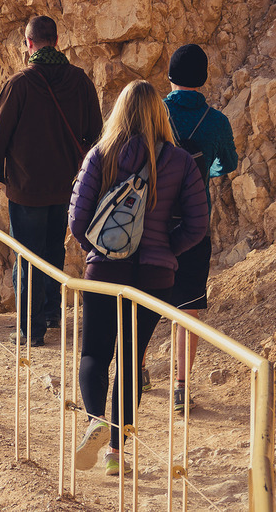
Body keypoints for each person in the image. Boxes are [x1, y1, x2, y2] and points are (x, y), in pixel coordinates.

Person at [68, 80, 208, 475]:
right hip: (154, 278)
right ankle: (116, 452)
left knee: (95, 352)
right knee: (131, 361)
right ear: (159, 115)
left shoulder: (100, 154)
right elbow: (198, 224)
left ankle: (95, 420)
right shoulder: (180, 161)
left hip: (104, 272)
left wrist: (101, 248)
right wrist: (166, 249)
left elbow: (77, 220)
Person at [0, 15, 103, 347]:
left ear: (29, 43)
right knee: (52, 251)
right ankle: (50, 314)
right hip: (67, 186)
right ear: (57, 41)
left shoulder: (21, 84)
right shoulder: (80, 81)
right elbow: (95, 131)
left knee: (27, 256)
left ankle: (30, 329)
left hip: (27, 187)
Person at [160, 43, 238, 412]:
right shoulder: (217, 121)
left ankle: (139, 369)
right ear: (204, 79)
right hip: (195, 223)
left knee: (146, 297)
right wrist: (204, 173)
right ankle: (180, 387)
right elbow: (228, 163)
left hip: (154, 223)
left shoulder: (154, 112)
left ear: (170, 76)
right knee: (188, 306)